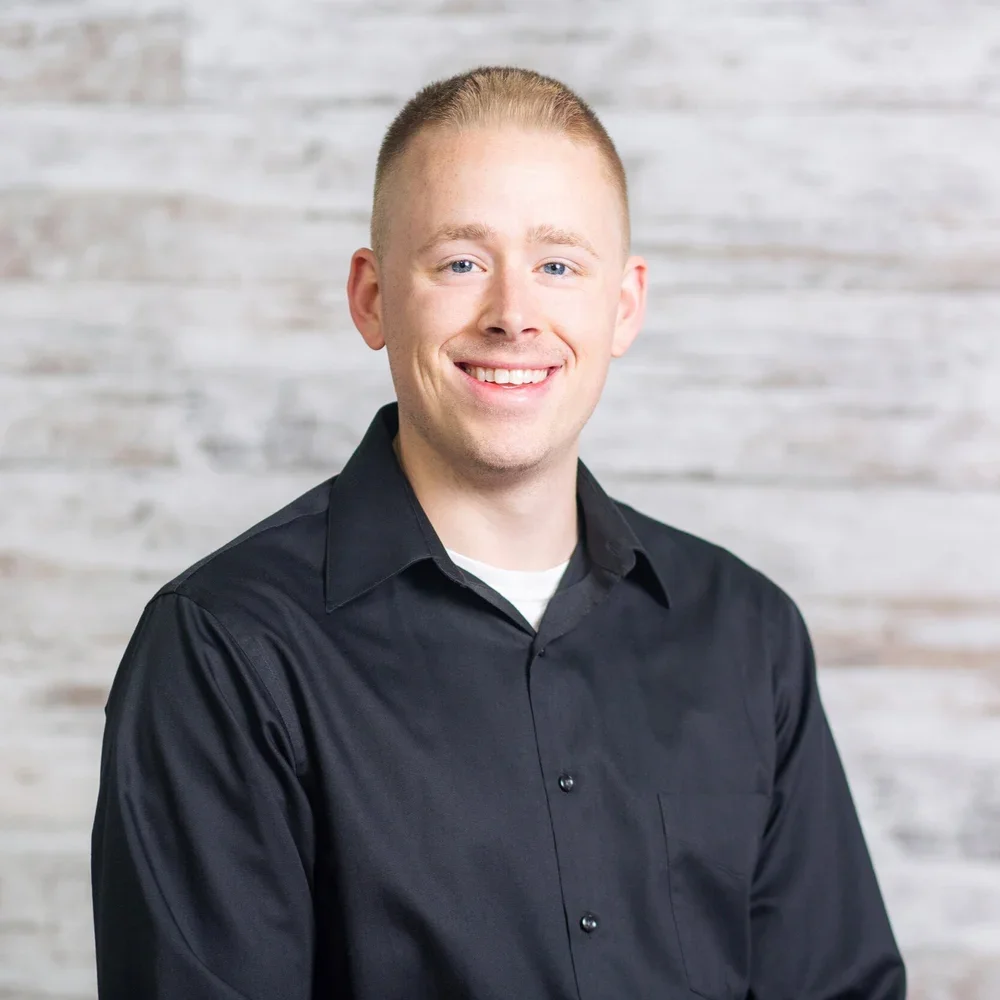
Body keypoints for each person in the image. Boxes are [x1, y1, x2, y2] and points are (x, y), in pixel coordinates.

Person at [91, 65, 906, 999]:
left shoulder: (747, 632)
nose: (514, 314)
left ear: (625, 306)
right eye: (460, 262)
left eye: (558, 265)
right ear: (371, 297)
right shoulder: (224, 649)